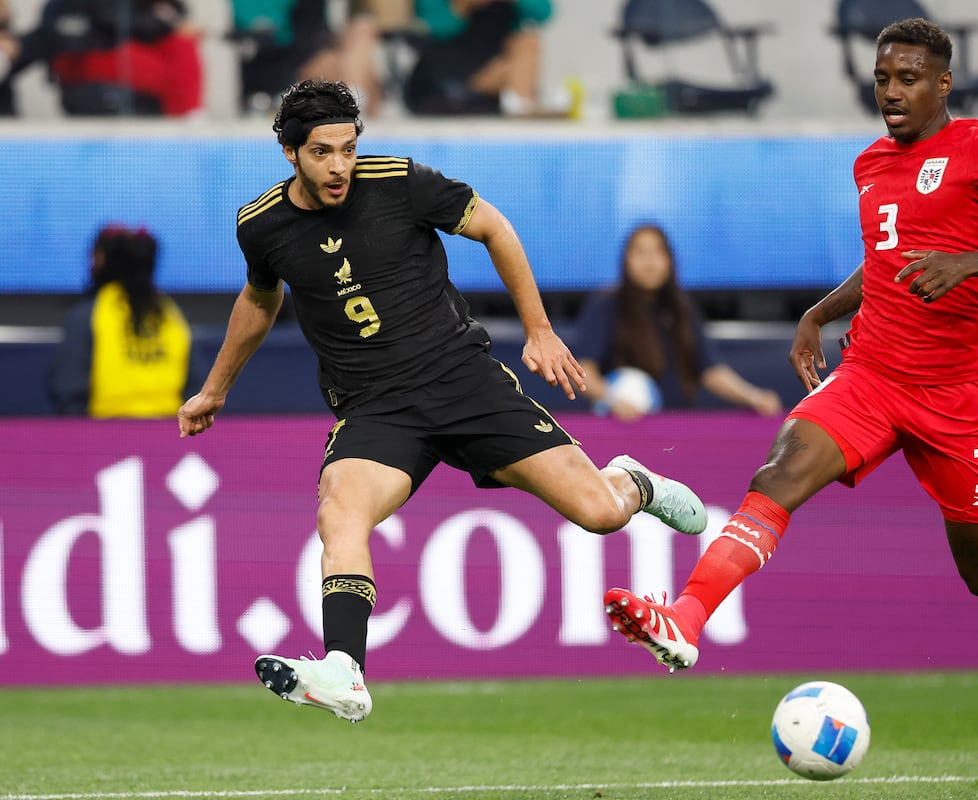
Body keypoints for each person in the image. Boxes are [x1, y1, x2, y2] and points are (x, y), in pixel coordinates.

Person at [177, 78, 708, 723]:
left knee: (599, 513)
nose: (339, 166)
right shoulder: (261, 226)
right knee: (340, 513)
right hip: (375, 406)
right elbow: (261, 300)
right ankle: (344, 669)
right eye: (322, 152)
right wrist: (215, 389)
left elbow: (494, 228)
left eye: (348, 148)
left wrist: (539, 330)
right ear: (290, 153)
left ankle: (633, 482)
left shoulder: (401, 183)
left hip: (462, 381)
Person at [603, 18, 978, 673]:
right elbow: (885, 260)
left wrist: (969, 263)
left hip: (958, 395)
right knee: (778, 475)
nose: (892, 92)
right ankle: (686, 616)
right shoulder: (871, 164)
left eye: (908, 79)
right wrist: (818, 313)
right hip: (872, 374)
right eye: (882, 79)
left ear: (943, 83)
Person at [573, 223, 783, 421]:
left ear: (669, 260)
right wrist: (612, 398)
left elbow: (710, 370)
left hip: (676, 426)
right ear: (626, 260)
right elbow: (584, 370)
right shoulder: (605, 305)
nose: (649, 262)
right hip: (624, 427)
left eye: (657, 252)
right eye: (640, 252)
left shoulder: (683, 308)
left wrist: (753, 397)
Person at [49, 225, 203, 417]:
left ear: (101, 259)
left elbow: (68, 390)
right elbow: (197, 390)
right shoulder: (173, 315)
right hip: (171, 430)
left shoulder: (88, 314)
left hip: (105, 430)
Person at [0, 0, 205, 117]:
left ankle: (189, 118)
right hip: (86, 60)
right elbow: (47, 36)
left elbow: (169, 14)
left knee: (182, 47)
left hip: (124, 56)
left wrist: (171, 23)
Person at [230, 0, 393, 115]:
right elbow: (272, 29)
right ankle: (354, 109)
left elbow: (320, 29)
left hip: (319, 47)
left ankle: (356, 107)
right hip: (287, 61)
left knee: (363, 28)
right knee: (336, 66)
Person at [405, 0, 565, 115]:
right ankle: (522, 104)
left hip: (495, 67)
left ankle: (522, 104)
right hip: (447, 75)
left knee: (528, 42)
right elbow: (430, 27)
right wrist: (463, 6)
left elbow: (545, 13)